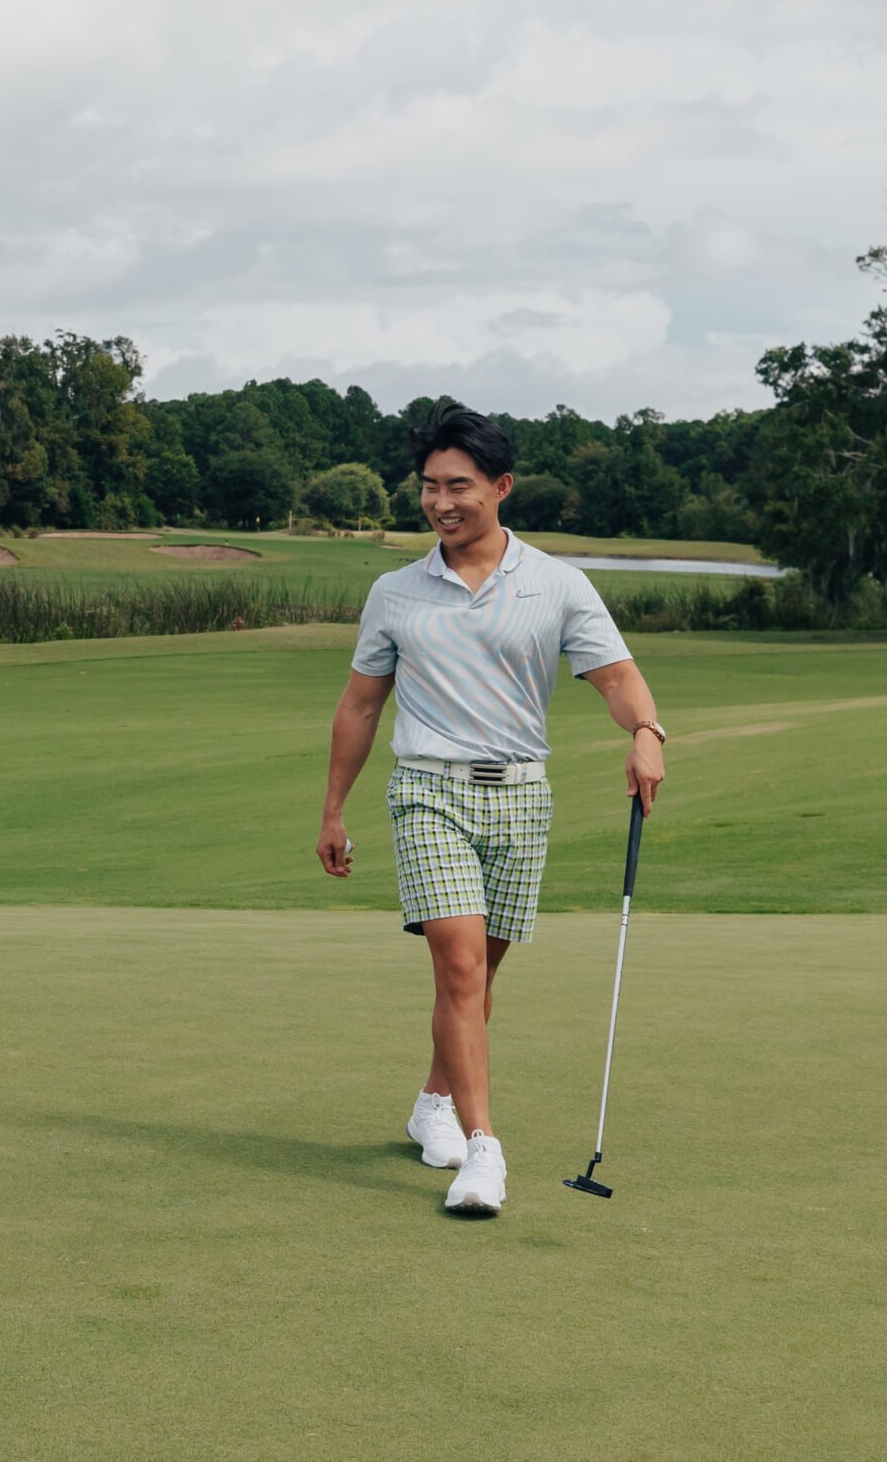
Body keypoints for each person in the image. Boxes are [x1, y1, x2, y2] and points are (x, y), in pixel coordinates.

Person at [315, 403, 666, 1213]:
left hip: (520, 796)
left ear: (501, 486)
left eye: (459, 486)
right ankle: (484, 1151)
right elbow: (361, 707)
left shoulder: (557, 583)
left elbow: (615, 676)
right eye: (430, 487)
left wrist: (647, 729)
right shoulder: (395, 591)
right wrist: (334, 810)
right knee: (460, 965)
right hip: (428, 791)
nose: (441, 501)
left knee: (477, 977)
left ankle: (433, 1101)